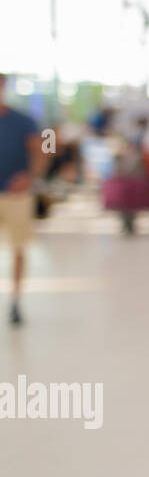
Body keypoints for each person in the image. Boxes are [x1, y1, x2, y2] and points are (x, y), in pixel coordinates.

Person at [0, 73, 43, 326]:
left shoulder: (23, 121)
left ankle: (15, 301)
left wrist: (29, 176)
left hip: (15, 194)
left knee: (18, 247)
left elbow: (41, 151)